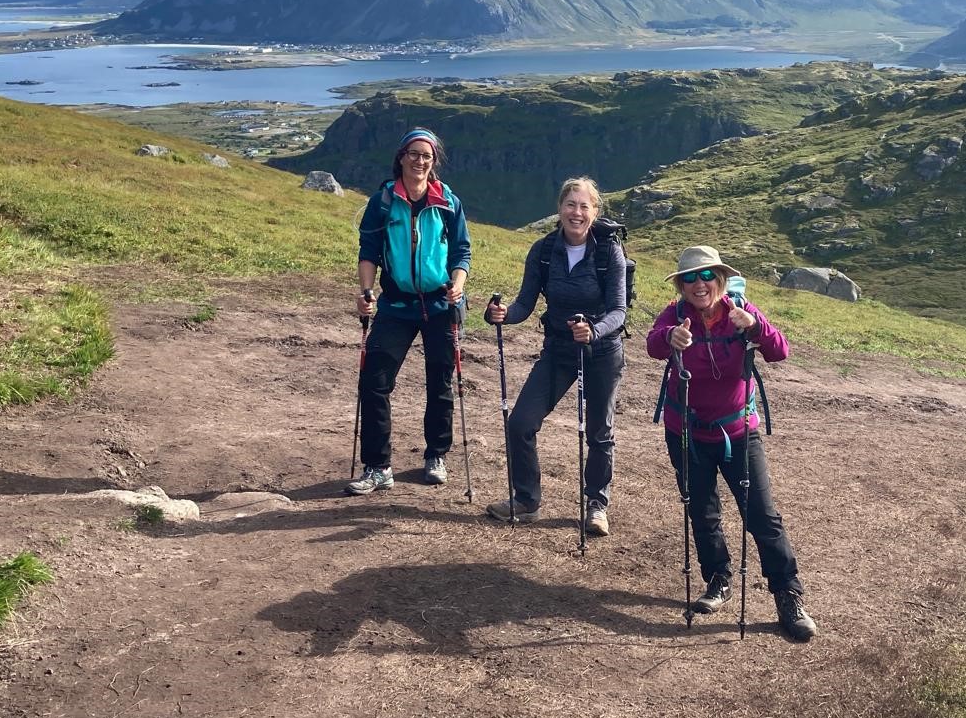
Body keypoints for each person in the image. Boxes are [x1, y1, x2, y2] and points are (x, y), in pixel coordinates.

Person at [647, 245, 817, 642]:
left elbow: (780, 351)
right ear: (681, 286)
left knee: (761, 514)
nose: (698, 284)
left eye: (706, 275)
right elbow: (652, 346)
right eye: (689, 278)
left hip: (738, 431)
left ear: (720, 279)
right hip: (686, 431)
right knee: (702, 511)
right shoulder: (675, 316)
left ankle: (788, 596)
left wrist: (754, 328)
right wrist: (670, 337)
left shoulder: (742, 312)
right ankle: (718, 580)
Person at [483, 177, 627, 536]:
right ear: (560, 208)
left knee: (599, 432)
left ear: (594, 212)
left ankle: (597, 504)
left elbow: (619, 311)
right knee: (521, 422)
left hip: (602, 350)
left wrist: (593, 331)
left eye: (584, 206)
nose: (576, 213)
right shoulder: (544, 250)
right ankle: (526, 500)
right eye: (570, 205)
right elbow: (524, 304)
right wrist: (501, 314)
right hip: (559, 349)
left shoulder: (610, 253)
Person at [346, 128, 471, 495]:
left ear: (434, 162)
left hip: (440, 303)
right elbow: (368, 251)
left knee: (441, 382)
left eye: (427, 156)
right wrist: (366, 292)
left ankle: (436, 456)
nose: (419, 161)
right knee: (375, 382)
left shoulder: (448, 201)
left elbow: (461, 251)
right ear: (401, 156)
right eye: (413, 154)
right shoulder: (383, 202)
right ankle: (377, 466)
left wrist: (458, 284)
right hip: (395, 304)